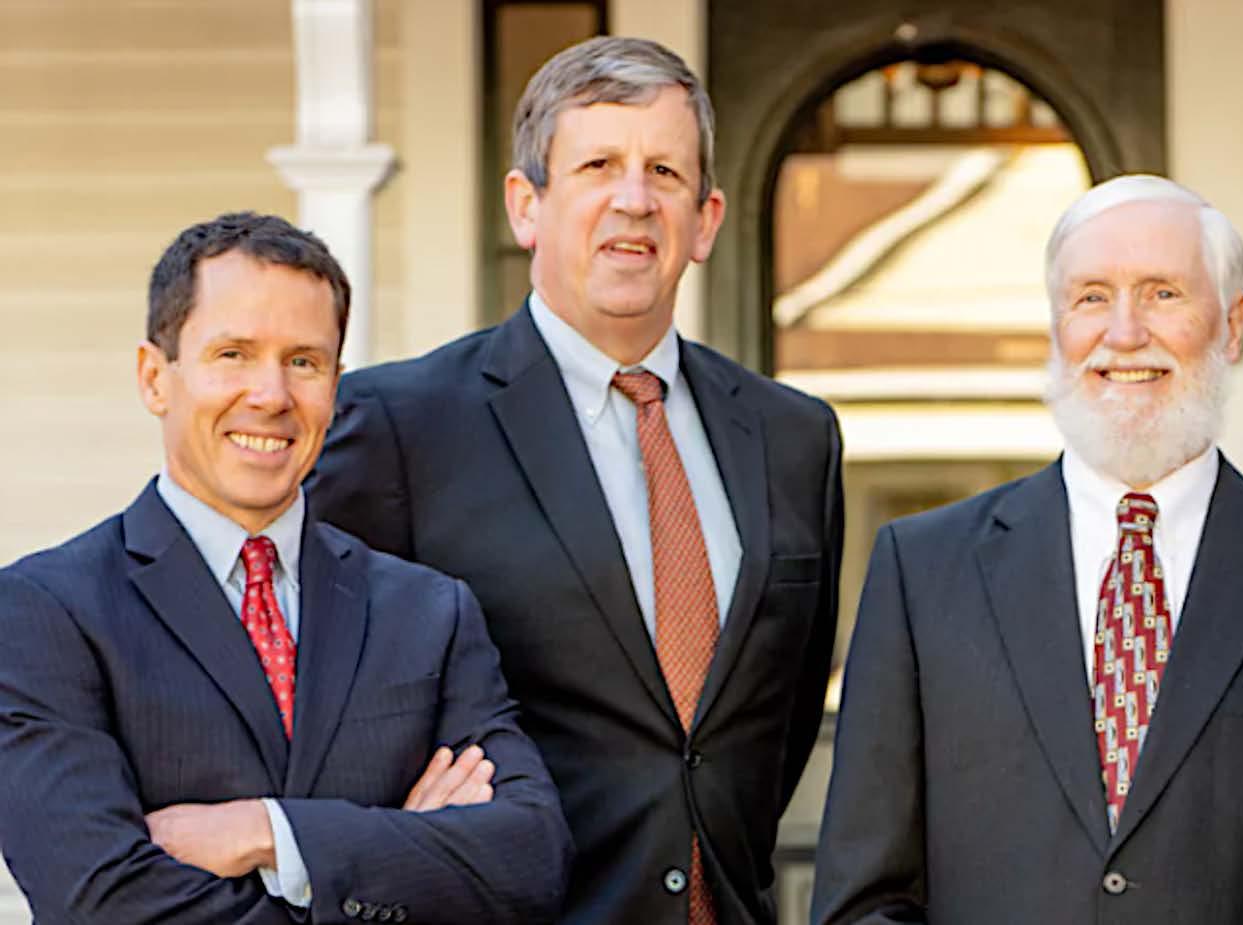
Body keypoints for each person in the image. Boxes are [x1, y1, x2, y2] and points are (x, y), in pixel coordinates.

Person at [307, 36, 843, 925]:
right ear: (527, 205)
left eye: (664, 172)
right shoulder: (400, 427)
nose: (634, 199)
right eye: (598, 166)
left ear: (706, 220)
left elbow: (771, 735)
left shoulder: (794, 439)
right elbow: (326, 715)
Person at [809, 175, 1243, 925]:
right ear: (1056, 326)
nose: (1125, 333)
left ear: (1231, 325)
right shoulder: (922, 572)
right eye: (1092, 297)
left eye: (1163, 293)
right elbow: (864, 900)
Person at [0, 212, 570, 925]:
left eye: (303, 361)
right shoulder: (45, 612)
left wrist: (269, 832)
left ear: (335, 384)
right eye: (233, 354)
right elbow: (101, 901)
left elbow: (529, 860)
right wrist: (398, 857)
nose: (271, 395)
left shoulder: (429, 613)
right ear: (154, 378)